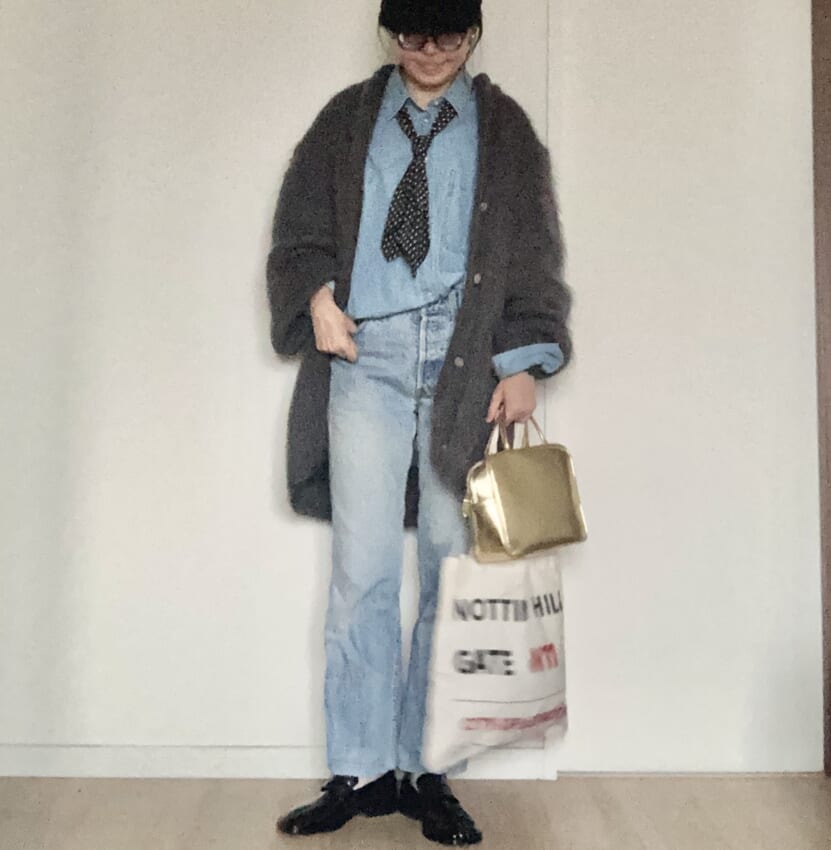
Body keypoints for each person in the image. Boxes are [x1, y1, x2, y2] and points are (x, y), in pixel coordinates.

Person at [265, 0, 573, 844]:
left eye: (448, 34)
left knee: (450, 570)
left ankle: (426, 772)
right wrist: (317, 298)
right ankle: (359, 771)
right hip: (366, 356)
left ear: (473, 35)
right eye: (412, 34)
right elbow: (298, 227)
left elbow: (534, 247)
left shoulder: (506, 131)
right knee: (360, 573)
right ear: (390, 35)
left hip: (465, 360)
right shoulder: (347, 119)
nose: (430, 50)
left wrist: (523, 360)